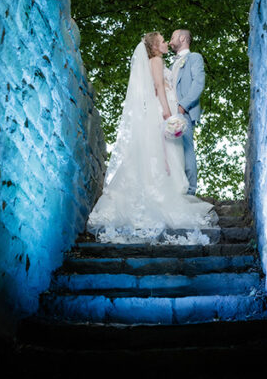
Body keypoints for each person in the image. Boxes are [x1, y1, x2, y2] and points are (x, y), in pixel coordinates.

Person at [85, 32, 216, 244]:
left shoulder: (167, 60)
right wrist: (166, 111)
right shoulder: (156, 61)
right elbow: (158, 88)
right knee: (166, 153)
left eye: (168, 39)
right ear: (155, 46)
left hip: (173, 109)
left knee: (171, 153)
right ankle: (167, 193)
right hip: (165, 110)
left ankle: (174, 189)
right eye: (163, 40)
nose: (166, 42)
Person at [168, 29, 205, 195]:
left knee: (187, 149)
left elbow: (198, 83)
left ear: (182, 38)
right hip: (169, 114)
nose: (170, 41)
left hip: (184, 111)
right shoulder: (171, 64)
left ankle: (190, 191)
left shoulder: (194, 58)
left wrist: (183, 106)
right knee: (171, 151)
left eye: (172, 37)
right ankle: (174, 189)